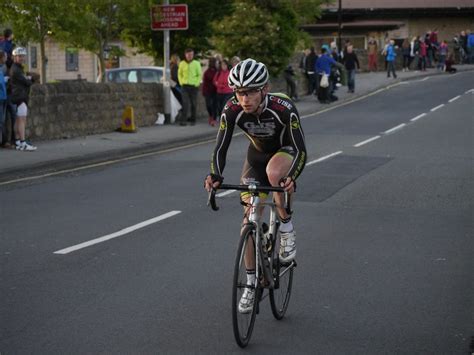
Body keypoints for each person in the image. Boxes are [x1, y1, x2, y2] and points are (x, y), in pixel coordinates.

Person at [204, 59, 306, 313]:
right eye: (239, 92)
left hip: (285, 152)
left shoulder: (283, 108)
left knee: (275, 175)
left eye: (250, 92)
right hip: (256, 157)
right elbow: (221, 147)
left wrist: (291, 176)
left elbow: (302, 150)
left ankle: (287, 228)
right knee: (247, 220)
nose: (244, 98)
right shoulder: (231, 109)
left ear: (264, 89)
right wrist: (215, 175)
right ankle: (251, 282)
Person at [9, 47, 36, 151]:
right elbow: (27, 82)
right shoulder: (16, 69)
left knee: (18, 120)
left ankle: (17, 141)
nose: (21, 58)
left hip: (19, 95)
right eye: (19, 56)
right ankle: (23, 142)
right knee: (22, 120)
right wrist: (31, 79)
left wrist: (28, 79)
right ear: (14, 57)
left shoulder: (17, 68)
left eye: (23, 56)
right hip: (20, 96)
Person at [177, 48, 202, 126]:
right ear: (185, 55)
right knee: (185, 103)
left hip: (194, 86)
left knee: (193, 103)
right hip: (184, 86)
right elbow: (179, 74)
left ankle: (193, 120)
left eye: (191, 54)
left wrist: (197, 83)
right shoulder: (182, 63)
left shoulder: (196, 63)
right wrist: (181, 83)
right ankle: (183, 120)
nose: (189, 56)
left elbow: (199, 75)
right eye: (188, 55)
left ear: (193, 55)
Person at [202, 57, 218, 126]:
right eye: (211, 62)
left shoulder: (217, 71)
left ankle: (214, 119)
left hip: (216, 91)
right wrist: (204, 91)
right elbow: (204, 82)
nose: (212, 63)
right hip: (208, 91)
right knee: (208, 105)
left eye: (213, 62)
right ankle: (210, 115)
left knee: (215, 105)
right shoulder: (206, 72)